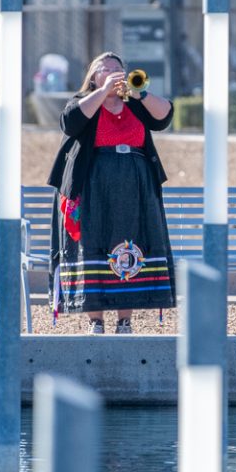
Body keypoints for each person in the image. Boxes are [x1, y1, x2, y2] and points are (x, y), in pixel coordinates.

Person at [47, 52, 175, 333]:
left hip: (135, 187)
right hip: (93, 188)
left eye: (118, 68)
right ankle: (96, 321)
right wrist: (103, 92)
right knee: (92, 246)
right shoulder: (82, 102)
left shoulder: (135, 103)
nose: (113, 72)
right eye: (105, 69)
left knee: (130, 244)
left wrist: (140, 93)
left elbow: (164, 115)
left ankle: (125, 320)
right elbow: (70, 122)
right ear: (93, 77)